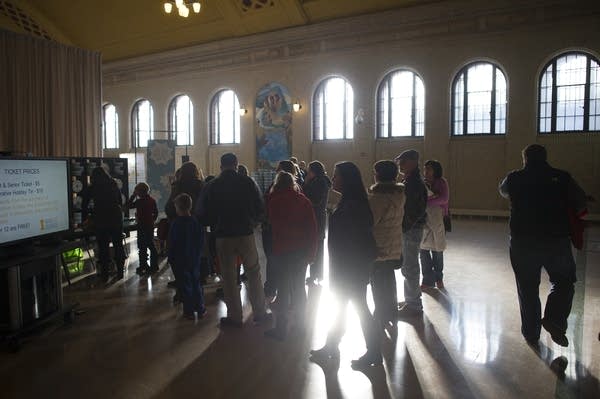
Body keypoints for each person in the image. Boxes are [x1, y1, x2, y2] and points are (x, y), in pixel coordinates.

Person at [499, 144, 587, 347]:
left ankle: (531, 333)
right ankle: (554, 319)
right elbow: (581, 202)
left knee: (527, 288)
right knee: (564, 282)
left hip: (523, 242)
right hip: (555, 240)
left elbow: (503, 191)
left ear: (525, 159)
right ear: (545, 158)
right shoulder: (563, 177)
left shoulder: (513, 178)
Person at [310, 161, 380, 368]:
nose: (333, 179)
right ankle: (331, 345)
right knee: (341, 307)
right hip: (347, 267)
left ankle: (374, 352)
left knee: (359, 309)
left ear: (347, 179)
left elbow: (353, 241)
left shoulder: (353, 205)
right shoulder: (350, 201)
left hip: (349, 269)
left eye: (336, 175)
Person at [200, 153, 269, 327]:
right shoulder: (247, 182)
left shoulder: (212, 185)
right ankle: (260, 312)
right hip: (245, 234)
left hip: (223, 236)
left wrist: (214, 224)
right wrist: (252, 222)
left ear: (221, 166)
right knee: (253, 272)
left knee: (229, 276)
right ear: (236, 165)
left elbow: (201, 212)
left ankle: (235, 317)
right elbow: (260, 207)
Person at [264, 171, 317, 340]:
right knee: (299, 289)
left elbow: (270, 224)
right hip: (301, 251)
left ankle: (281, 328)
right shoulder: (304, 201)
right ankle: (301, 326)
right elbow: (313, 230)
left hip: (282, 249)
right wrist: (312, 252)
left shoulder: (273, 201)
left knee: (283, 288)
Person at [368, 160, 405, 328]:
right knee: (389, 280)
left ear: (379, 175)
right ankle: (391, 312)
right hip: (394, 244)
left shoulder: (378, 199)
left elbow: (370, 222)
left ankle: (381, 314)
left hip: (379, 247)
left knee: (378, 282)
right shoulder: (400, 195)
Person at [394, 150, 427, 317]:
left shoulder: (414, 183)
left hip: (411, 229)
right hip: (409, 228)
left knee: (410, 266)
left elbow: (415, 210)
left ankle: (414, 304)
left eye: (403, 161)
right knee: (408, 265)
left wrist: (404, 226)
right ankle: (411, 299)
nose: (400, 165)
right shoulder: (409, 180)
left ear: (413, 162)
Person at [263, 159, 301, 298]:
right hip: (288, 233)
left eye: (278, 169)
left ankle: (273, 288)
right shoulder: (298, 190)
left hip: (275, 232)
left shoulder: (276, 189)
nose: (275, 171)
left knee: (274, 260)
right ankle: (283, 291)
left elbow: (266, 205)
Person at [165, 162, 204, 295]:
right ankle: (197, 288)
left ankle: (182, 289)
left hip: (179, 224)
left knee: (179, 258)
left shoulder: (177, 185)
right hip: (195, 224)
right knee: (195, 255)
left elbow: (170, 206)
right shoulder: (200, 185)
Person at [82, 166, 126, 281]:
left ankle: (105, 275)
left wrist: (86, 219)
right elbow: (120, 202)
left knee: (103, 248)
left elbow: (84, 205)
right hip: (116, 218)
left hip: (101, 218)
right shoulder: (113, 184)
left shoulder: (93, 187)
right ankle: (120, 272)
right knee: (118, 245)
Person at [168, 193, 206, 320]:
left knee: (185, 285)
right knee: (196, 282)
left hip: (180, 260)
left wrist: (171, 257)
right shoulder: (196, 222)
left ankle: (188, 311)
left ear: (178, 208)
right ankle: (200, 308)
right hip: (194, 258)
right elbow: (201, 240)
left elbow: (172, 242)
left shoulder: (176, 224)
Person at [420, 160, 449, 289]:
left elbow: (444, 199)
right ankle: (427, 280)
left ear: (435, 170)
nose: (426, 172)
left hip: (437, 220)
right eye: (425, 169)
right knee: (423, 251)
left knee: (437, 251)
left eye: (429, 169)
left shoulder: (441, 182)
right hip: (424, 220)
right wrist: (432, 198)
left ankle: (439, 278)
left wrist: (428, 200)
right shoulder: (421, 183)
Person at [302, 160, 331, 285]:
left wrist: (306, 183)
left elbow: (312, 198)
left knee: (315, 246)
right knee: (317, 246)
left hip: (315, 216)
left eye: (309, 170)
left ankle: (315, 274)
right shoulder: (322, 181)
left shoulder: (318, 182)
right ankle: (317, 274)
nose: (307, 172)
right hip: (319, 216)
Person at [127, 182, 159, 275]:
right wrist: (152, 220)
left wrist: (133, 196)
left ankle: (143, 265)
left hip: (141, 226)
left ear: (139, 192)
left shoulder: (139, 202)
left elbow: (128, 206)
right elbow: (155, 212)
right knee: (150, 245)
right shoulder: (152, 200)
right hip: (149, 226)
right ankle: (154, 265)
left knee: (142, 246)